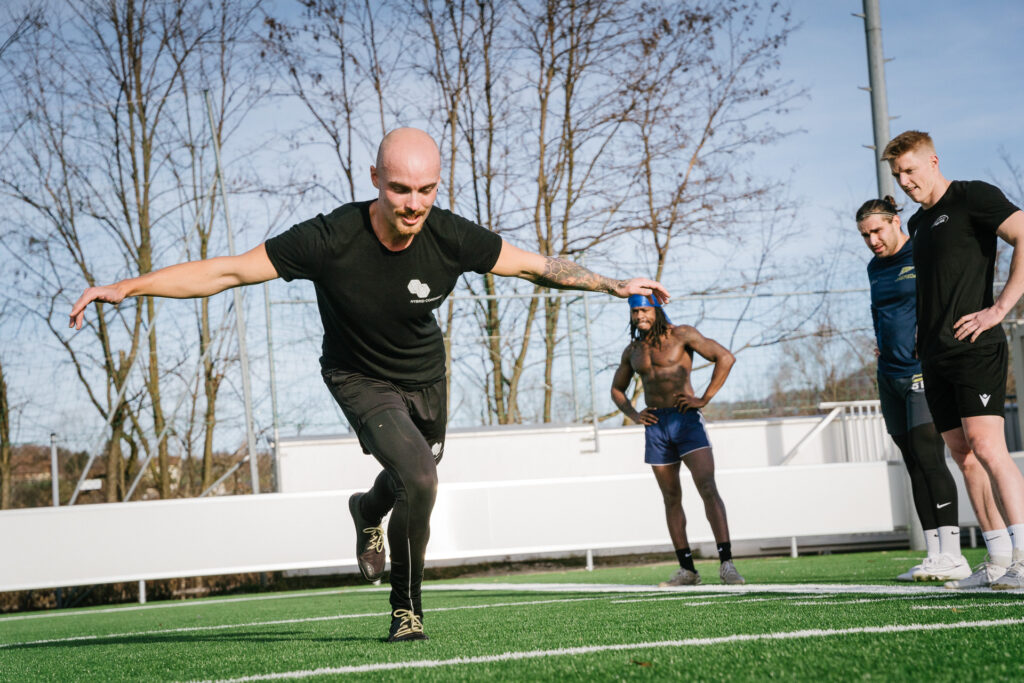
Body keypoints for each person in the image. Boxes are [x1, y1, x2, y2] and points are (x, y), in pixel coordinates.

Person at [68, 127, 669, 640]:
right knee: (421, 478)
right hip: (357, 376)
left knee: (408, 481)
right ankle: (406, 608)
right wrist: (130, 286)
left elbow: (539, 266)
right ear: (376, 178)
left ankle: (365, 509)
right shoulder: (329, 238)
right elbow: (227, 270)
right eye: (400, 188)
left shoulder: (450, 236)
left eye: (427, 190)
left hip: (426, 378)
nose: (413, 204)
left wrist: (613, 284)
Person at [882, 130, 1024, 590]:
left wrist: (1000, 309)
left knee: (987, 447)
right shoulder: (920, 225)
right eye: (897, 173)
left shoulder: (972, 197)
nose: (904, 181)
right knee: (963, 457)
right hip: (937, 354)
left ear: (933, 161)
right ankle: (999, 557)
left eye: (909, 170)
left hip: (976, 347)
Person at [857, 195, 1002, 584]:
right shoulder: (874, 267)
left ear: (894, 222)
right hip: (889, 372)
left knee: (930, 453)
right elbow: (882, 313)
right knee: (912, 460)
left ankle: (953, 554)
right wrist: (884, 342)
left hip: (924, 370)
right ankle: (935, 553)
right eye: (865, 235)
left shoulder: (918, 254)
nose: (872, 240)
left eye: (877, 230)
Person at [610, 294, 744, 586]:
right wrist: (634, 414)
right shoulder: (632, 350)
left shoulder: (682, 334)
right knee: (671, 498)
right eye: (634, 312)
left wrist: (704, 398)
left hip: (686, 421)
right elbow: (617, 389)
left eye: (644, 310)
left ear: (656, 310)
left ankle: (727, 565)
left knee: (707, 487)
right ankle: (687, 570)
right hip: (656, 427)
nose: (639, 316)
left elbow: (725, 357)